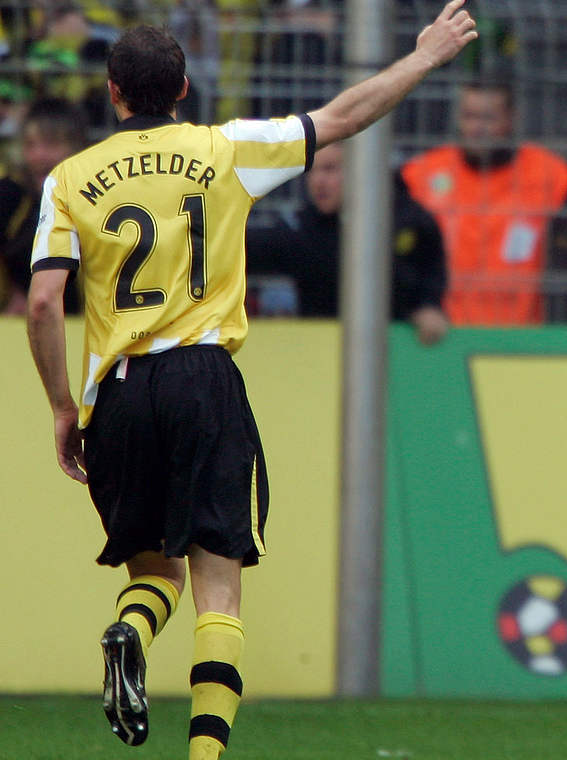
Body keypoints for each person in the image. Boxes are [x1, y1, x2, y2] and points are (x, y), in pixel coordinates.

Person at [25, 5, 477, 758]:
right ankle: (205, 754)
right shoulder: (226, 148)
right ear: (185, 87)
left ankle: (130, 628)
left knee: (151, 572)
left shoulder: (70, 178)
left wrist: (64, 407)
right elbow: (342, 117)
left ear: (112, 93)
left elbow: (43, 300)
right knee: (219, 587)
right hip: (203, 375)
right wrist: (424, 56)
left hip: (121, 389)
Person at [402, 76, 567, 325]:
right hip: (440, 332)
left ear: (510, 119)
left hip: (522, 333)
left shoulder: (550, 174)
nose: (476, 127)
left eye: (487, 118)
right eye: (469, 116)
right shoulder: (421, 174)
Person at [246, 142, 449, 344]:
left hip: (393, 349)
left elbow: (431, 264)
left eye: (330, 169)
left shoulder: (406, 219)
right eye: (311, 171)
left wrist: (428, 305)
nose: (318, 181)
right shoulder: (302, 228)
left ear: (360, 169)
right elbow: (247, 251)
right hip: (318, 349)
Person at [1, 97, 86, 314]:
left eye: (51, 144)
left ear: (77, 146)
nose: (39, 155)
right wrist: (10, 296)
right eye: (30, 145)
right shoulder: (10, 195)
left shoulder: (95, 199)